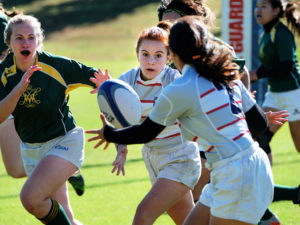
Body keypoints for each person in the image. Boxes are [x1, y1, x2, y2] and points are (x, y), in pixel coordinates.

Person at [86, 16, 274, 225]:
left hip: (236, 173)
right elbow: (260, 125)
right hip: (244, 165)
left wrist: (109, 134)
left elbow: (146, 132)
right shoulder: (225, 73)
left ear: (171, 54)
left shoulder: (180, 87)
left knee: (143, 215)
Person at [0, 15, 109, 225]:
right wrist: (18, 89)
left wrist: (109, 91)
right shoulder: (4, 74)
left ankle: (72, 170)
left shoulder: (56, 65)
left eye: (31, 37)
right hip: (31, 148)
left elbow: (100, 79)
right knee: (65, 216)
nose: (25, 43)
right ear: (9, 43)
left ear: (39, 40)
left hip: (64, 141)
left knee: (31, 199)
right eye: (19, 38)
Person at [94, 21, 201, 225]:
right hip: (153, 158)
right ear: (137, 54)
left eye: (158, 55)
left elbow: (197, 108)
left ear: (168, 57)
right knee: (189, 222)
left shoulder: (174, 80)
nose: (151, 61)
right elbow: (119, 119)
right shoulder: (127, 81)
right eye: (145, 54)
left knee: (143, 216)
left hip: (180, 157)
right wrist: (120, 147)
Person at [0, 5, 86, 197]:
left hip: (13, 91)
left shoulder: (1, 22)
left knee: (17, 170)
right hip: (10, 95)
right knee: (17, 171)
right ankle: (63, 168)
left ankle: (64, 166)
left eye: (31, 38)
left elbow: (23, 48)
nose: (26, 42)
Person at [250, 1, 300, 224]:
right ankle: (264, 189)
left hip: (292, 94)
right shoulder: (266, 33)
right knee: (260, 137)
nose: (258, 10)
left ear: (277, 11)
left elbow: (288, 65)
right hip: (275, 94)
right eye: (257, 5)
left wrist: (257, 74)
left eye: (264, 6)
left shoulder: (280, 33)